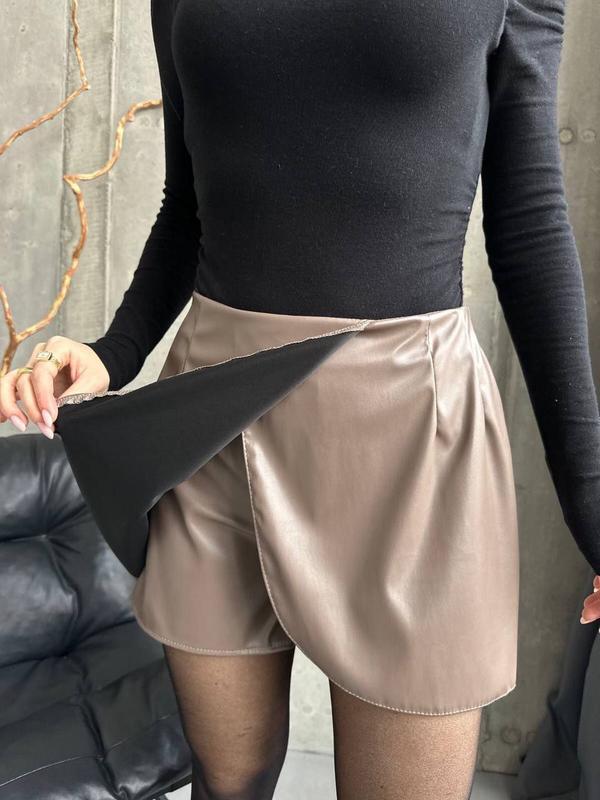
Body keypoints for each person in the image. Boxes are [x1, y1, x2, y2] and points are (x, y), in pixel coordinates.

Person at [2, 1, 600, 797]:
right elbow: (190, 208)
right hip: (211, 426)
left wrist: (593, 509)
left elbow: (529, 228)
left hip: (411, 436)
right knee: (228, 783)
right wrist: (112, 354)